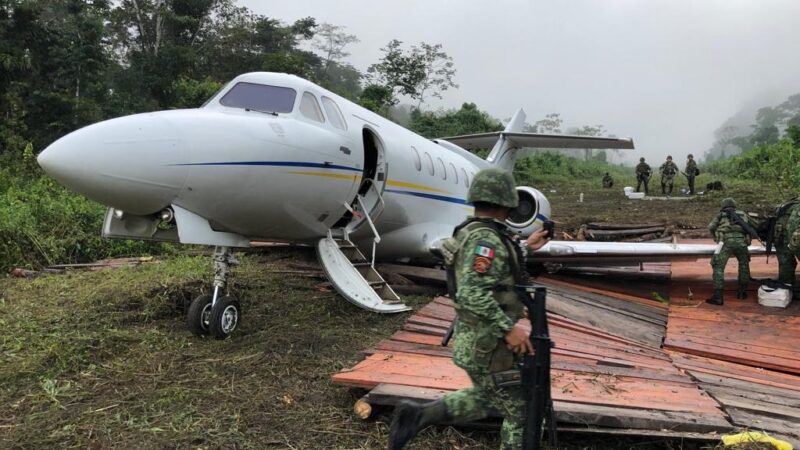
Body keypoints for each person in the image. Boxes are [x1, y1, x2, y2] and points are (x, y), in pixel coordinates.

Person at [387, 168, 550, 450]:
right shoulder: (485, 240)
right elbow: (471, 292)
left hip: (475, 338)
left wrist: (526, 248)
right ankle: (417, 416)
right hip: (489, 343)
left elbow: (494, 270)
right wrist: (508, 329)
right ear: (507, 202)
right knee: (524, 411)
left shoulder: (474, 233)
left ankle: (417, 416)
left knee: (488, 398)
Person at [707, 198, 755, 305]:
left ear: (723, 206)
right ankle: (742, 293)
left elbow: (711, 227)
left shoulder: (721, 215)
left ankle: (718, 297)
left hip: (725, 243)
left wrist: (715, 236)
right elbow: (752, 227)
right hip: (742, 243)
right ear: (734, 205)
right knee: (744, 266)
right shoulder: (743, 215)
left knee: (718, 267)